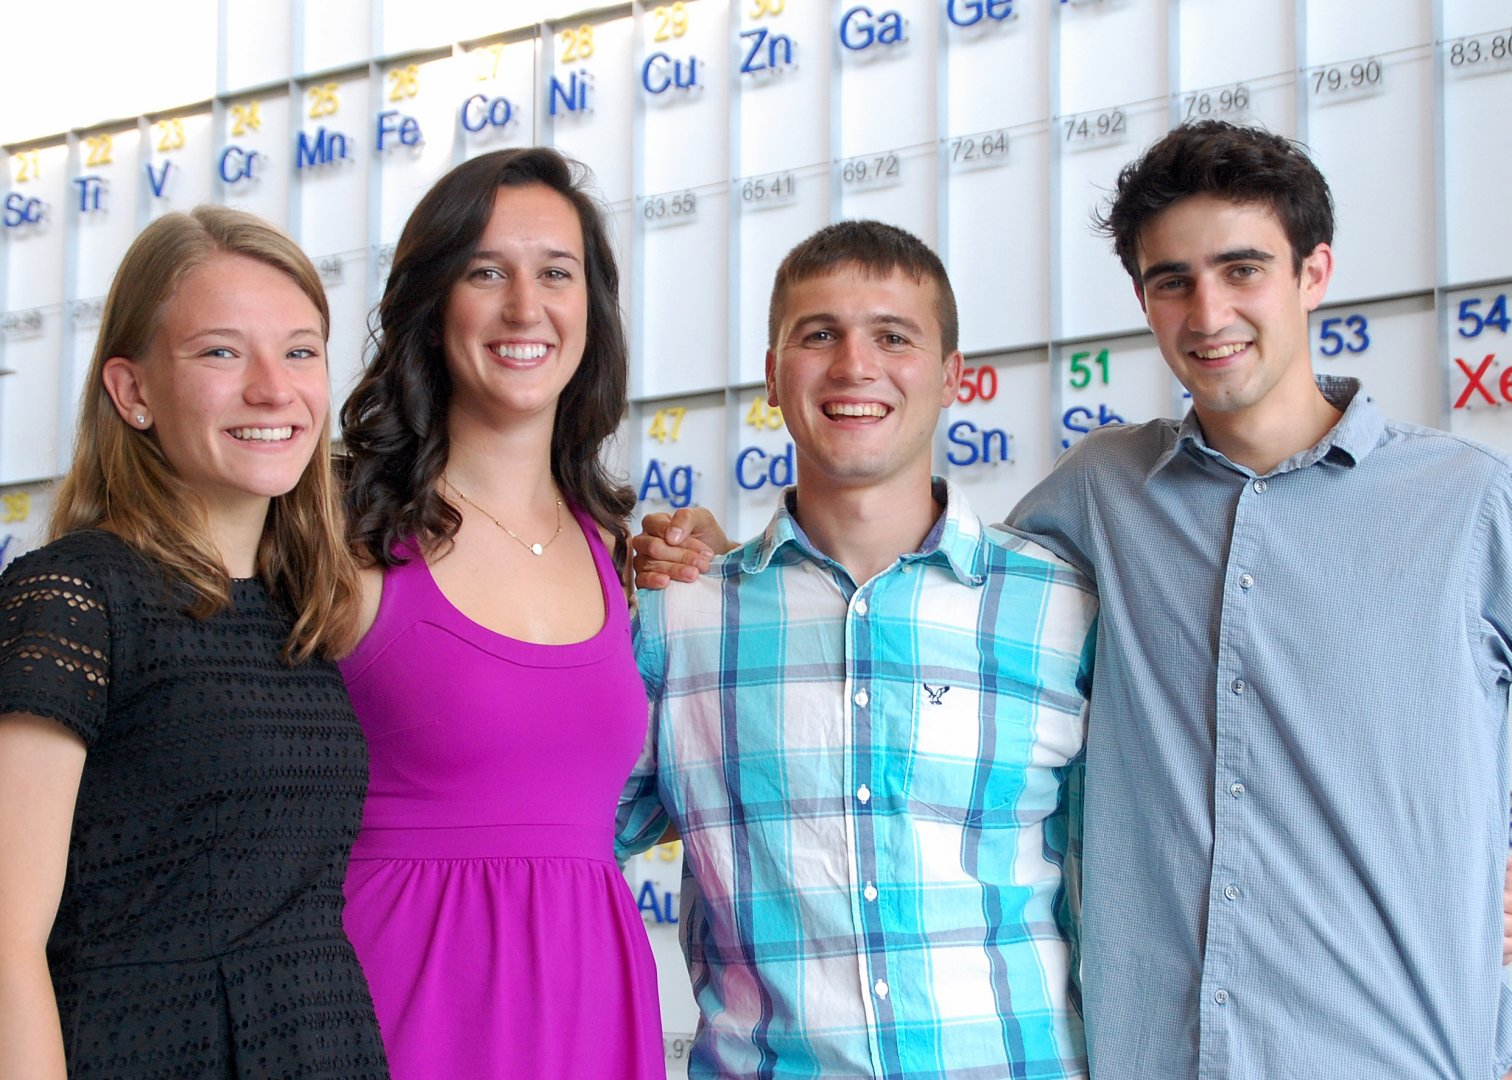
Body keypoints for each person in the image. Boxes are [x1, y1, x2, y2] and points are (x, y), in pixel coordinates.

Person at [638, 122, 1512, 1078]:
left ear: (1314, 273)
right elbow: (905, 580)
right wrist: (729, 576)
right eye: (1172, 280)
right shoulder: (1099, 498)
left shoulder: (1468, 500)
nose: (1208, 309)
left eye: (1243, 268)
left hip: (1403, 1052)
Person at [616, 220, 1097, 1078]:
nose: (854, 366)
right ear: (772, 375)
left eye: (893, 336)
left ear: (953, 377)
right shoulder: (676, 621)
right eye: (819, 334)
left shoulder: (1061, 607)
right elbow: (547, 843)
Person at [0, 207, 389, 1078]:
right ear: (133, 392)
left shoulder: (307, 608)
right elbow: (3, 942)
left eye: (299, 351)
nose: (272, 389)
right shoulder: (74, 596)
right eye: (220, 352)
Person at [337, 147, 663, 1078]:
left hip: (592, 1006)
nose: (527, 308)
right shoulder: (341, 529)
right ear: (434, 302)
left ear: (590, 311)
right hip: (399, 1005)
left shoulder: (615, 547)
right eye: (487, 272)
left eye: (556, 273)